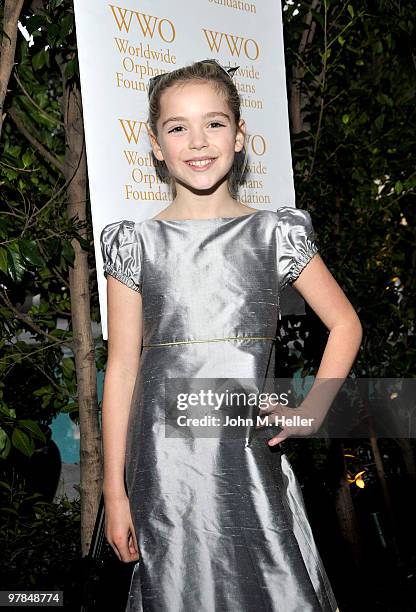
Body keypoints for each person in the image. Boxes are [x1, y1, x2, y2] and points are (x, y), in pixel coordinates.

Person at [99, 59, 362, 612]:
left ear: (240, 137)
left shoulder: (276, 233)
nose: (197, 141)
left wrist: (311, 411)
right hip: (163, 468)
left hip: (247, 456)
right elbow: (122, 369)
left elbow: (345, 323)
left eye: (214, 123)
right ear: (154, 144)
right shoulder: (135, 245)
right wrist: (114, 489)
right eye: (177, 127)